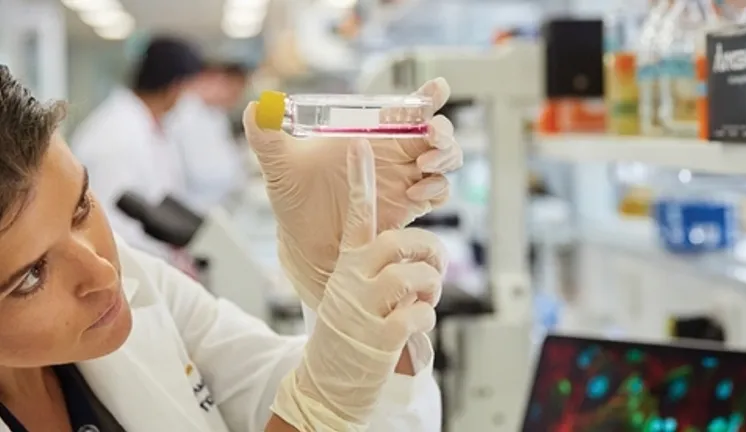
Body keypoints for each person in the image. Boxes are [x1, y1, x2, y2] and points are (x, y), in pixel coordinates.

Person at [0, 64, 463, 430]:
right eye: (31, 276)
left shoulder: (138, 280)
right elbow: (315, 406)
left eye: (81, 207)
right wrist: (316, 415)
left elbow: (277, 386)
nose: (104, 274)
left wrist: (339, 275)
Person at [72, 36, 204, 257]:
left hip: (152, 258)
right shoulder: (115, 134)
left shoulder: (150, 126)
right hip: (127, 265)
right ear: (174, 87)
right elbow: (112, 228)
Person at [166, 62, 252, 214]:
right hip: (193, 207)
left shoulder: (216, 115)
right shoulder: (184, 114)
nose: (235, 98)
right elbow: (200, 173)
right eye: (232, 91)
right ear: (213, 79)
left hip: (219, 204)